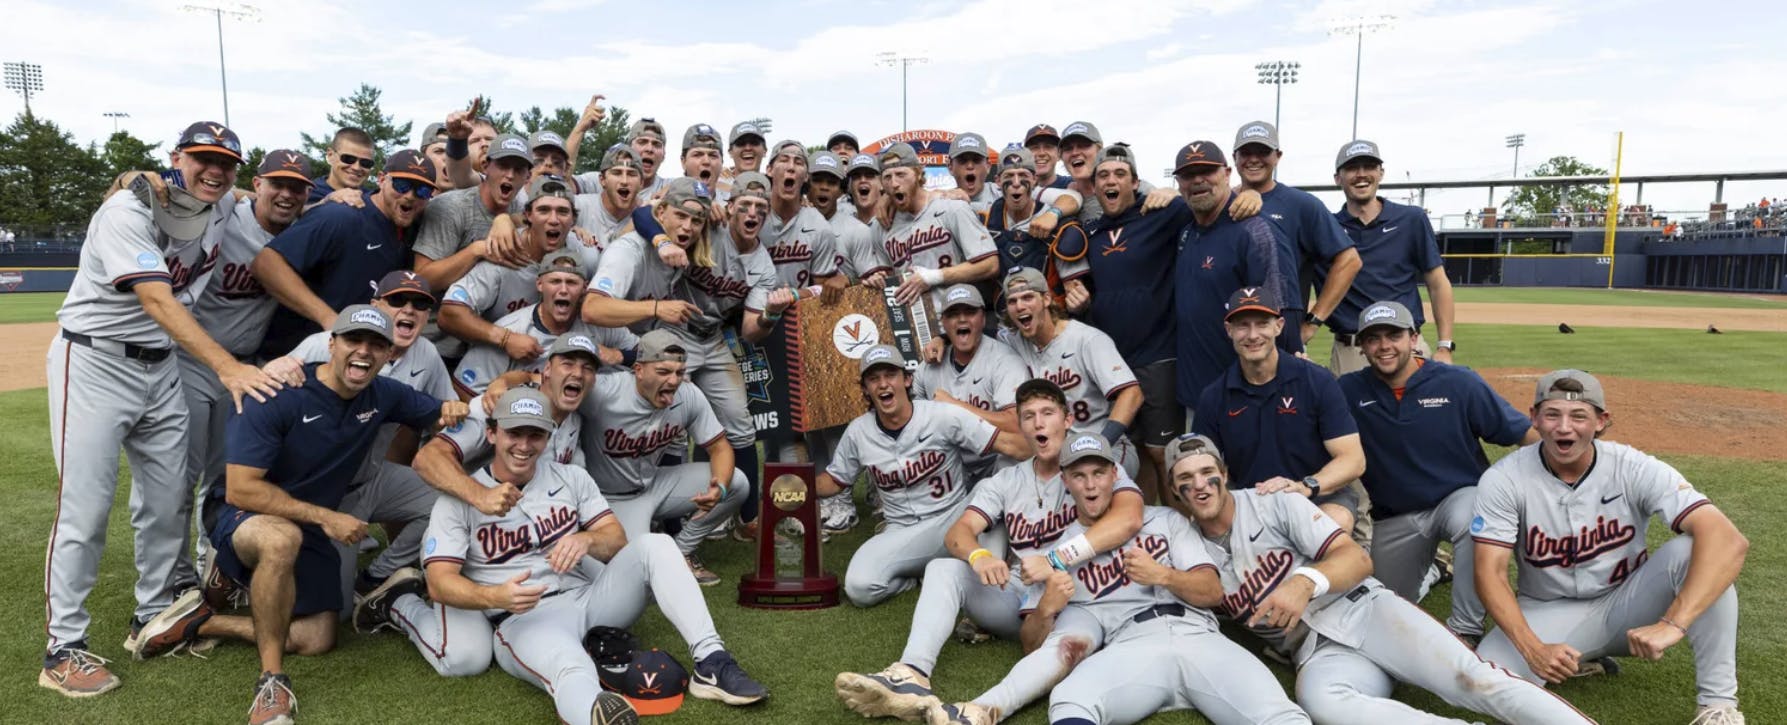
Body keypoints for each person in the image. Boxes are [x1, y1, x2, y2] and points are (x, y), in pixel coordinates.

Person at [40, 121, 281, 698]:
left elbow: (254, 193)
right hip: (95, 362)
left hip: (161, 366)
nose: (214, 171)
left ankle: (153, 614)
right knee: (86, 507)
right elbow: (154, 296)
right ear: (176, 158)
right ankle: (62, 648)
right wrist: (227, 366)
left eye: (225, 163)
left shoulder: (222, 205)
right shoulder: (126, 211)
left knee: (170, 496)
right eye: (201, 159)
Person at [143, 306, 465, 723]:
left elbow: (442, 411)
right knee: (281, 541)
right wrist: (326, 518)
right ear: (331, 344)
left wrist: (485, 398)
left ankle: (201, 622)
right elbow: (243, 488)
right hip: (241, 510)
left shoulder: (383, 393)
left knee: (318, 638)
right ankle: (271, 682)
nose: (364, 352)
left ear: (389, 355)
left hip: (308, 520)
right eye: (353, 340)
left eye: (377, 345)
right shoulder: (277, 391)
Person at [376, 386, 766, 724]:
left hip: (589, 600)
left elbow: (615, 540)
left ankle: (711, 662)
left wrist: (585, 541)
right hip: (522, 618)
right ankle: (597, 712)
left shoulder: (571, 478)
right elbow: (441, 584)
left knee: (657, 545)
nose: (525, 445)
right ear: (492, 433)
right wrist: (495, 598)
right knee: (567, 665)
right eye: (514, 433)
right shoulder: (459, 498)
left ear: (548, 438)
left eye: (535, 435)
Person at [1170, 434, 1592, 725]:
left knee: (1475, 679)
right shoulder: (1185, 549)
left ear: (1224, 473)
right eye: (1184, 479)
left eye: (1207, 472)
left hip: (1367, 614)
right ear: (1174, 491)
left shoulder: (1273, 502)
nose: (1199, 485)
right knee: (1324, 704)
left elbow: (1355, 560)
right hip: (1318, 654)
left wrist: (1304, 582)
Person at [839, 384, 1143, 724]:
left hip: (1078, 597)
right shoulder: (1006, 479)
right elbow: (959, 532)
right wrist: (979, 556)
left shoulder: (1092, 468)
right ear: (1021, 426)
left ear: (1068, 419)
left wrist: (1057, 558)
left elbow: (1130, 517)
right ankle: (912, 675)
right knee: (943, 568)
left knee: (1070, 644)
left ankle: (979, 712)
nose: (1038, 424)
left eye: (1047, 414)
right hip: (1020, 594)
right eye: (1028, 416)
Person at [1473, 370, 1749, 724]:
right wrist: (1532, 648)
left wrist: (1673, 623)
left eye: (1578, 416)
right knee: (1485, 679)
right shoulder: (1504, 479)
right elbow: (1489, 571)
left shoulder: (1632, 466)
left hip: (1630, 606)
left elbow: (1730, 540)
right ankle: (1577, 661)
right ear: (1535, 419)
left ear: (1601, 422)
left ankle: (1718, 705)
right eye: (1552, 414)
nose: (1564, 427)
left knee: (1697, 552)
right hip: (1547, 610)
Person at [1039, 435, 1309, 725]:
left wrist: (1163, 575)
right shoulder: (1060, 552)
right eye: (1079, 475)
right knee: (1071, 699)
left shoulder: (1167, 520)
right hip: (1131, 643)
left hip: (1199, 636)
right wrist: (1044, 609)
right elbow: (1039, 645)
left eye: (1098, 473)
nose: (1091, 485)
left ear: (1115, 475)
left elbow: (1212, 592)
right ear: (1065, 480)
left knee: (1278, 714)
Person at [585, 177, 796, 543]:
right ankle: (650, 520)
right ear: (728, 209)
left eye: (761, 208)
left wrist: (771, 315)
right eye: (744, 205)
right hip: (657, 335)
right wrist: (662, 241)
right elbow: (642, 215)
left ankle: (745, 519)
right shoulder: (705, 228)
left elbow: (750, 330)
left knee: (738, 424)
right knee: (659, 430)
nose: (752, 214)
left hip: (706, 337)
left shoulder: (754, 260)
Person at [1337, 301, 1535, 640]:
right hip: (1396, 515)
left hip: (1458, 499)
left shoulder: (1457, 382)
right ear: (1362, 346)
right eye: (1373, 338)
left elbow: (1523, 433)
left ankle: (1465, 629)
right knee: (1384, 609)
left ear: (1414, 338)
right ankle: (1432, 571)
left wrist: (1549, 485)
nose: (1384, 346)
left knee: (1477, 515)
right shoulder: (1348, 391)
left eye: (1394, 335)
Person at [262, 272, 456, 602]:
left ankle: (376, 577)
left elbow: (447, 415)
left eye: (420, 304)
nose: (408, 310)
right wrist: (272, 370)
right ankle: (242, 563)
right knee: (331, 610)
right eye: (397, 301)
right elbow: (265, 398)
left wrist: (470, 413)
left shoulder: (425, 353)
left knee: (445, 501)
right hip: (315, 490)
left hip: (370, 480)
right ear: (376, 306)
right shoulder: (323, 345)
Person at [179, 149, 314, 588]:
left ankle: (211, 566)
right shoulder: (226, 214)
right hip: (196, 360)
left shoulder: (302, 231)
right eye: (277, 183)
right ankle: (174, 579)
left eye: (297, 187)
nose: (286, 193)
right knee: (181, 474)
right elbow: (189, 186)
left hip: (248, 365)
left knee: (225, 473)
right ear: (256, 184)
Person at [813, 345, 1031, 607]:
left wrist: (1049, 451)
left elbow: (1012, 447)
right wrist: (793, 485)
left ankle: (983, 576)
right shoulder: (859, 432)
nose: (883, 384)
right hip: (900, 530)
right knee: (860, 588)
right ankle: (920, 574)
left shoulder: (941, 414)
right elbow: (835, 480)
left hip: (954, 519)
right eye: (874, 378)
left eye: (890, 375)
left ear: (907, 379)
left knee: (992, 485)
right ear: (865, 388)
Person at [574, 330, 750, 584]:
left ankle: (682, 550)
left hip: (654, 485)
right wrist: (508, 381)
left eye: (679, 372)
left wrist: (718, 487)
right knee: (636, 576)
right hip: (609, 501)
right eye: (664, 372)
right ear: (639, 370)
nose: (674, 380)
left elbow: (720, 447)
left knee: (737, 483)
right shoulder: (603, 391)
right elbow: (551, 387)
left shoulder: (687, 395)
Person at [1191, 286, 1369, 538]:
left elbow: (1353, 460)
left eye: (1262, 323)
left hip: (1316, 495)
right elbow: (1200, 466)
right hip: (1252, 501)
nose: (1253, 335)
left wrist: (1305, 487)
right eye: (1242, 325)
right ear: (1229, 330)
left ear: (1279, 326)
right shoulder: (1214, 396)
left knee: (1330, 524)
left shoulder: (1316, 380)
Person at [253, 149, 437, 358]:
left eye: (422, 191)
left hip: (353, 365)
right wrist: (331, 321)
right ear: (382, 180)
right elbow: (266, 264)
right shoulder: (341, 215)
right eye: (402, 185)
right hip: (294, 360)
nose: (410, 196)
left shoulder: (410, 230)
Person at [1170, 140, 1299, 414]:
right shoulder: (1186, 231)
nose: (1198, 180)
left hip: (1250, 395)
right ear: (1178, 182)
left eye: (1207, 171)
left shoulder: (1255, 230)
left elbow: (1279, 316)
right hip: (1198, 396)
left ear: (1227, 174)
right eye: (1188, 175)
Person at [1326, 140, 1455, 374]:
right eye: (1352, 168)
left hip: (1405, 343)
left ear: (1381, 173)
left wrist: (1445, 346)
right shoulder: (1327, 227)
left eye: (1369, 167)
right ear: (1338, 178)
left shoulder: (1411, 219)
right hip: (1351, 349)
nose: (1361, 175)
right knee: (1348, 411)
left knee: (1422, 409)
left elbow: (1438, 283)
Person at [999, 267, 1142, 477]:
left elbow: (1132, 394)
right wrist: (942, 339)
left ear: (1046, 299)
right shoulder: (1012, 342)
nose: (1020, 306)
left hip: (1104, 443)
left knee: (1084, 481)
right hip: (1055, 452)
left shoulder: (1086, 339)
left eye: (1028, 297)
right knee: (1005, 467)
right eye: (1012, 301)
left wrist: (1100, 445)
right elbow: (975, 335)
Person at [1228, 121, 1360, 345]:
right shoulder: (1221, 204)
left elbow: (1350, 261)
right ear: (1235, 158)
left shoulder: (1300, 204)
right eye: (1246, 152)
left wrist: (1313, 322)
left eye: (1263, 152)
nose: (1253, 159)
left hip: (1278, 331)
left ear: (1277, 156)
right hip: (1229, 327)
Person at [453, 250, 631, 398]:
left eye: (571, 282)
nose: (563, 289)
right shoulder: (512, 329)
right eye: (555, 281)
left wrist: (619, 355)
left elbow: (648, 354)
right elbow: (463, 389)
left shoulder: (597, 324)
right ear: (539, 284)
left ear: (585, 288)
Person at [440, 175, 580, 356]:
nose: (553, 220)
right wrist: (505, 338)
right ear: (528, 215)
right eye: (544, 210)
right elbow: (449, 314)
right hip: (493, 359)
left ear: (574, 219)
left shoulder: (583, 254)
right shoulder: (503, 255)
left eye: (562, 211)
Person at [861, 143, 998, 310]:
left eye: (901, 174)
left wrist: (934, 277)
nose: (894, 183)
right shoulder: (880, 225)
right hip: (912, 322)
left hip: (956, 318)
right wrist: (876, 280)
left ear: (918, 174)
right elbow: (887, 279)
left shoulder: (952, 208)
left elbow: (990, 265)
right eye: (887, 177)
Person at [912, 285, 1028, 477]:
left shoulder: (1004, 360)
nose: (962, 319)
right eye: (953, 314)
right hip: (948, 469)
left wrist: (954, 407)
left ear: (983, 318)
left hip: (997, 466)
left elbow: (1017, 424)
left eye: (970, 312)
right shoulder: (928, 366)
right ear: (944, 323)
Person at [412, 133, 536, 293]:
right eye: (503, 166)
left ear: (528, 176)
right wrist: (477, 250)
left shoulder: (522, 207)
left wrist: (506, 219)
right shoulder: (451, 207)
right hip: (438, 312)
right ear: (485, 166)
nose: (510, 175)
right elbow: (421, 280)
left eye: (518, 169)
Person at [981, 147, 1087, 319]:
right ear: (998, 181)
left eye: (1023, 176)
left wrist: (1079, 302)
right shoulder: (985, 221)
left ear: (1035, 180)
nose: (1016, 183)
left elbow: (1074, 294)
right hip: (1005, 327)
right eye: (1009, 176)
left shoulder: (1058, 225)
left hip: (1050, 324)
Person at [307, 128, 375, 204]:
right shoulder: (306, 194)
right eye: (348, 159)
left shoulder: (373, 200)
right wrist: (325, 201)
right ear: (330, 155)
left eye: (365, 163)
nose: (356, 168)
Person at [946, 132, 998, 212]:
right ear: (950, 167)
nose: (970, 166)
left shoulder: (1003, 196)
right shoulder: (944, 204)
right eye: (962, 160)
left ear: (988, 166)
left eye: (976, 160)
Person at [1021, 123, 1071, 190]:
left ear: (1059, 154)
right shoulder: (1014, 189)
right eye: (1035, 148)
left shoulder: (1074, 184)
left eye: (1048, 147)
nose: (1041, 153)